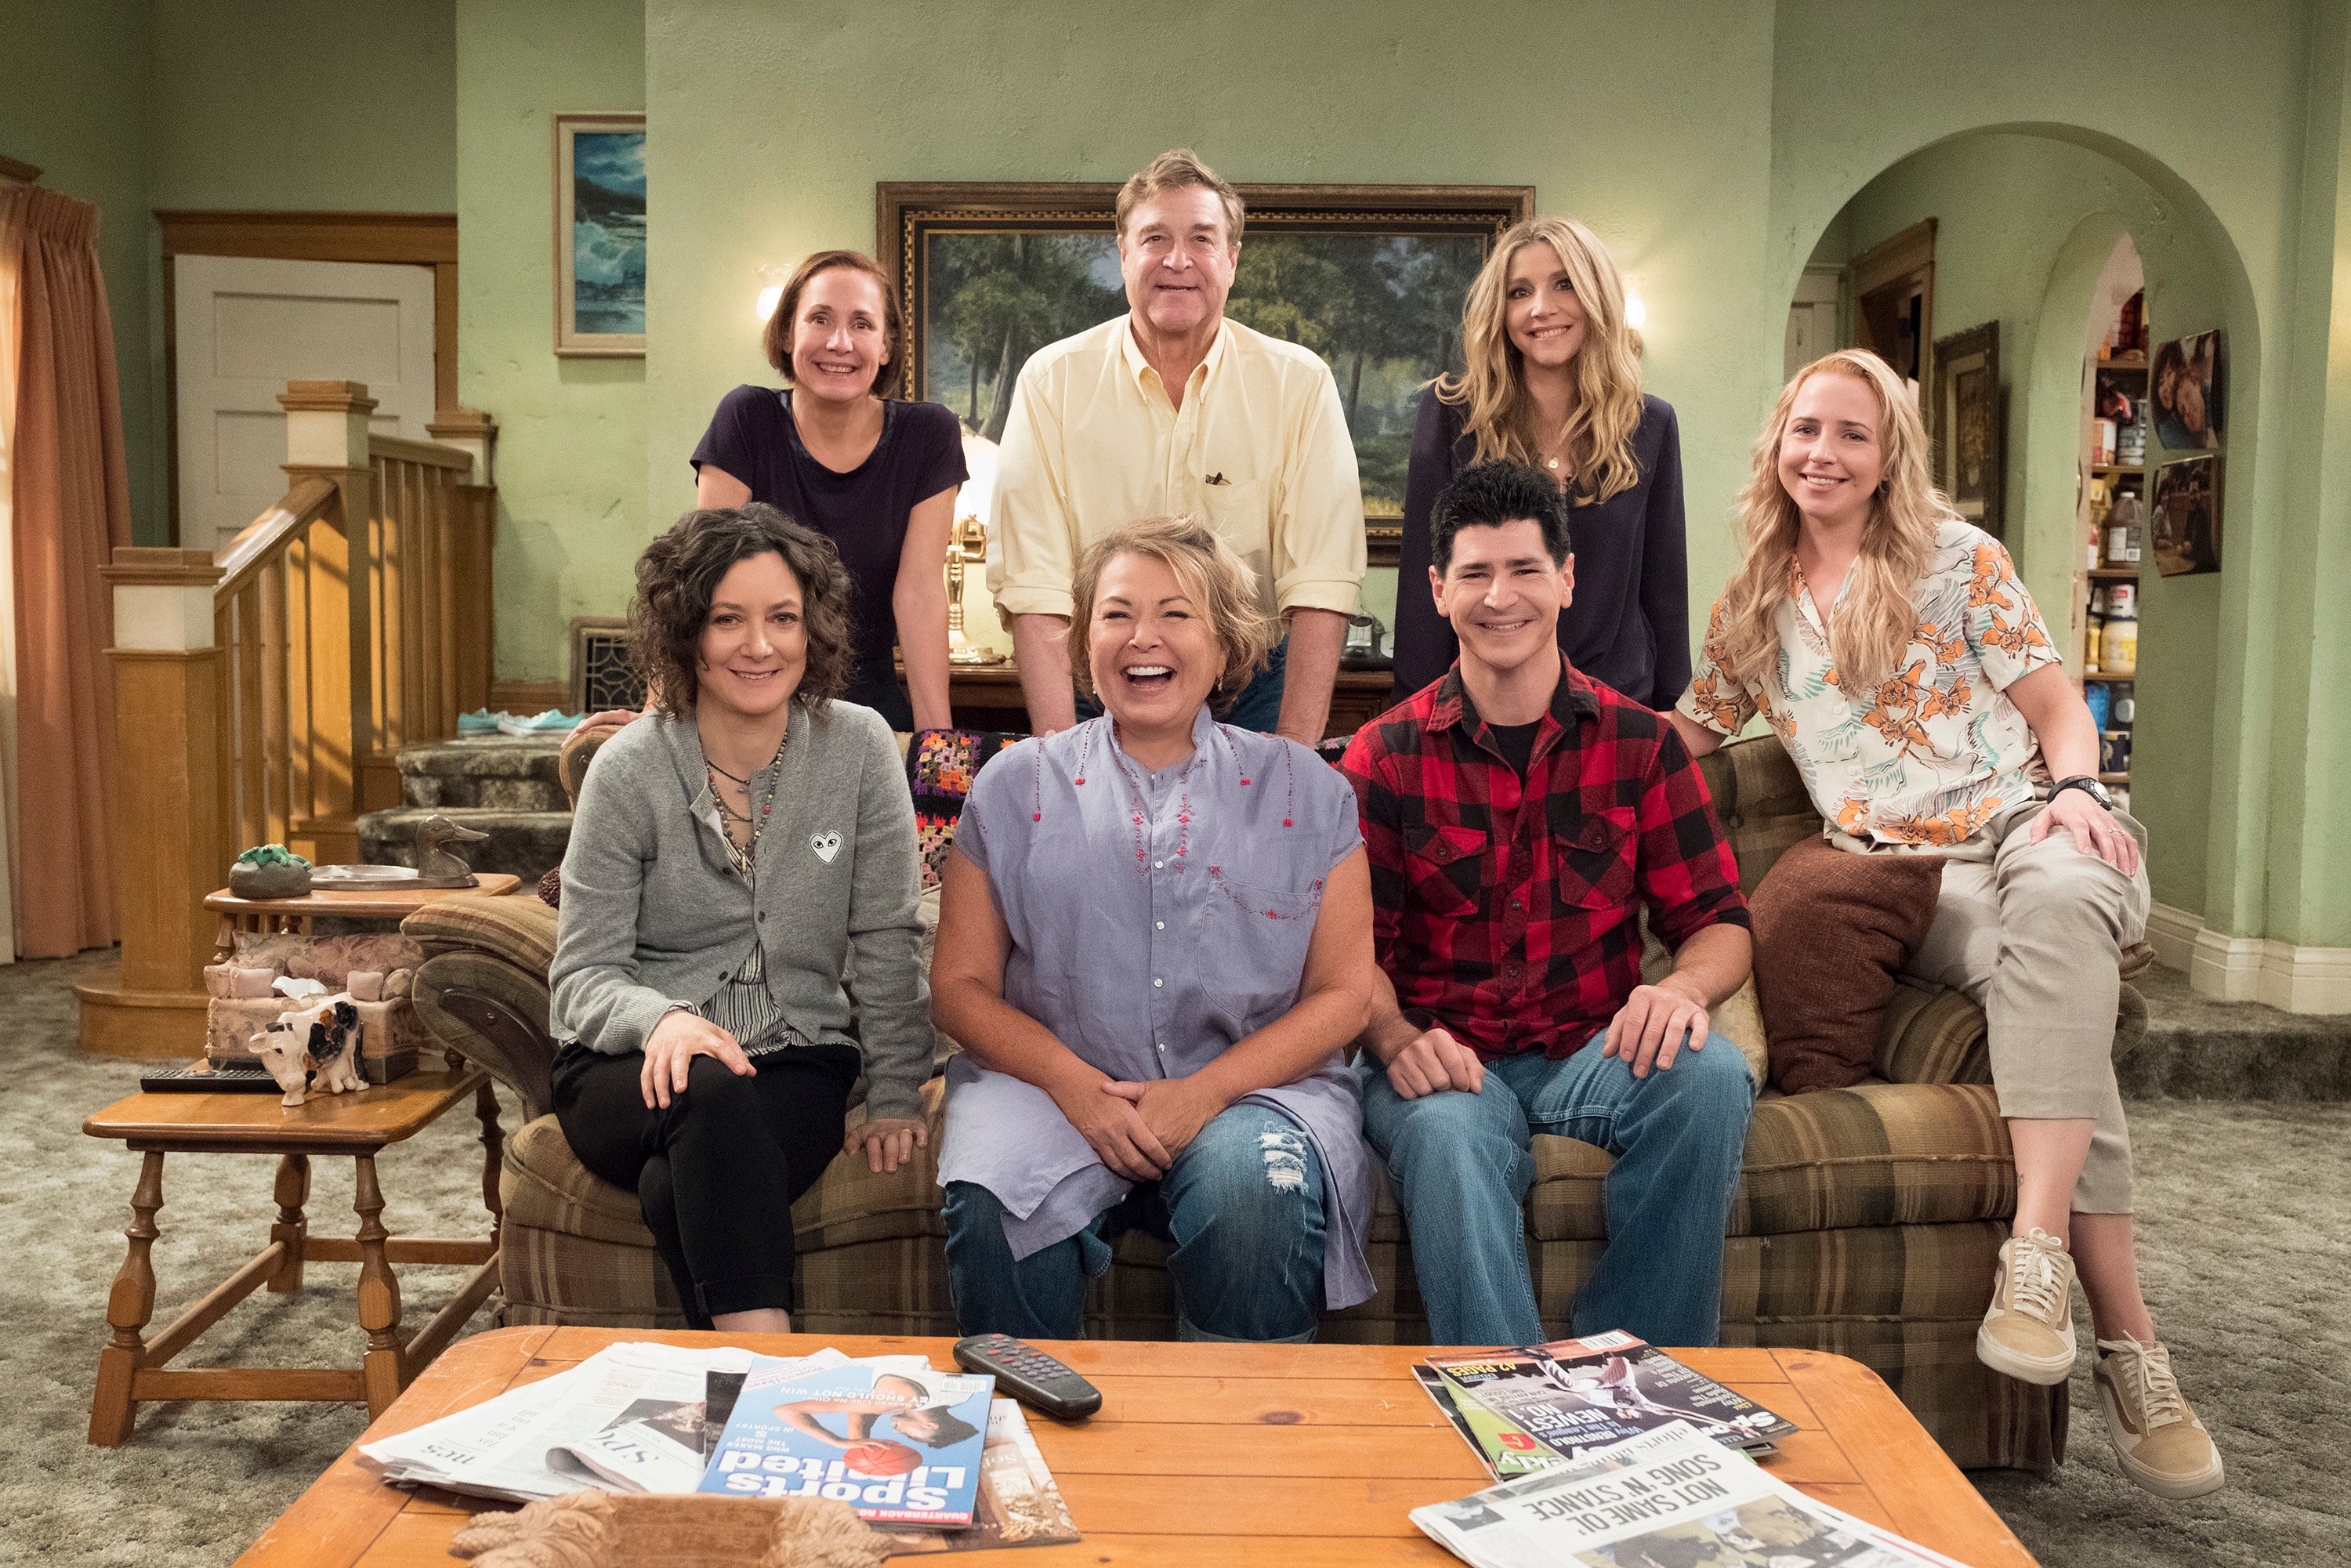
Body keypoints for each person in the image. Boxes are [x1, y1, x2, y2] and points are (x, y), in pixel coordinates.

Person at [1669, 348, 2223, 1501]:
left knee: (2065, 910)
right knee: (2047, 983)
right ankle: (2134, 1347)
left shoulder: (1959, 564)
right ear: (1778, 443)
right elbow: (1683, 739)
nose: (1822, 453)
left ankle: (2036, 1252)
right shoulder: (1751, 607)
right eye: (1806, 430)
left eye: (1851, 436)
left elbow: (2061, 713)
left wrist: (2075, 792)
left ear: (1887, 461)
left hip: (2026, 828)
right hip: (1910, 880)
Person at [1342, 460, 1756, 1349]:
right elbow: (1346, 955)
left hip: (1592, 1050)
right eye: (1476, 574)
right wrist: (1393, 1039)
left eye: (1526, 570)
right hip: (1443, 1059)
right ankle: (1512, 1407)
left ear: (1567, 581)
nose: (1502, 597)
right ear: (1438, 590)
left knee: (1712, 1077)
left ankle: (1645, 1374)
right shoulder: (1385, 756)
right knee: (1449, 1143)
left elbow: (1719, 920)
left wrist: (1682, 991)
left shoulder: (1643, 744)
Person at [934, 516, 1375, 1342]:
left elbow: (1346, 995)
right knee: (992, 1206)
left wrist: (1204, 1095)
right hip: (1051, 1086)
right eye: (1116, 614)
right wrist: (1074, 1086)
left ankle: (1235, 1451)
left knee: (1256, 1198)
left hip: (1251, 1093)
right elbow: (958, 990)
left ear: (1225, 642)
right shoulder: (1012, 785)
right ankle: (1026, 1443)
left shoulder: (1305, 790)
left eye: (1177, 613)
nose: (1145, 638)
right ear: (1084, 639)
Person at [549, 504, 934, 1333]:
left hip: (797, 1063)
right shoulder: (628, 772)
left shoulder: (860, 746)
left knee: (674, 1186)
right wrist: (666, 1022)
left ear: (813, 629)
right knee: (706, 1083)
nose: (760, 647)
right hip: (625, 1072)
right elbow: (582, 978)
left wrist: (895, 1090)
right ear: (687, 632)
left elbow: (887, 936)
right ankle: (774, 1369)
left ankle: (727, 1397)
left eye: (783, 619)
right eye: (729, 620)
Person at [988, 148, 1365, 745]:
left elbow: (1321, 584)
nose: (1178, 260)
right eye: (1155, 237)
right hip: (1097, 688)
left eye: (1202, 239)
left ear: (1233, 260)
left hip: (1253, 691)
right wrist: (1061, 762)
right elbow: (1036, 588)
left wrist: (1293, 768)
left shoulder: (1300, 383)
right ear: (1123, 256)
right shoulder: (1051, 381)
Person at [1392, 216, 1689, 708]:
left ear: (1597, 298)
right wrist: (1413, 717)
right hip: (1482, 709)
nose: (1541, 309)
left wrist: (1668, 720)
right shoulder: (1450, 415)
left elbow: (1665, 592)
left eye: (1564, 285)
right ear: (1500, 311)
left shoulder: (1650, 423)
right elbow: (1424, 588)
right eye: (1519, 292)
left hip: (1616, 713)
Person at [693, 250, 967, 731]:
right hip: (749, 701)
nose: (840, 343)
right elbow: (701, 582)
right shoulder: (746, 419)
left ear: (886, 346)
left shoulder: (928, 434)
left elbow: (920, 592)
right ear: (786, 333)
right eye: (820, 319)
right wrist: (660, 716)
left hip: (871, 710)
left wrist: (937, 742)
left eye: (862, 324)